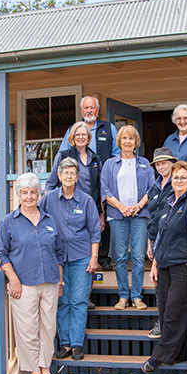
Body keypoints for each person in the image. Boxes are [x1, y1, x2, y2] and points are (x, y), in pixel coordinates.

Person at [0, 173, 64, 374]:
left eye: (33, 192)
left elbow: (59, 253)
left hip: (50, 281)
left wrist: (60, 282)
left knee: (48, 327)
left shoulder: (49, 220)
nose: (29, 196)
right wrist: (13, 280)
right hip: (24, 283)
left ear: (38, 194)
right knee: (27, 328)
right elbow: (1, 254)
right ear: (19, 195)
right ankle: (34, 372)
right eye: (25, 192)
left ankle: (46, 369)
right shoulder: (9, 221)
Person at [142, 161, 187, 374]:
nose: (178, 181)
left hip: (182, 264)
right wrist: (154, 265)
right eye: (175, 177)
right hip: (164, 264)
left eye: (183, 178)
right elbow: (161, 236)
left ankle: (158, 355)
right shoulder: (169, 202)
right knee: (164, 310)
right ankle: (178, 354)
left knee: (173, 310)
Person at [40, 157, 101, 361]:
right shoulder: (48, 199)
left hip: (81, 257)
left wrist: (94, 257)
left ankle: (76, 344)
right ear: (58, 176)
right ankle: (64, 343)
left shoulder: (86, 200)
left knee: (79, 300)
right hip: (56, 259)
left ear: (77, 177)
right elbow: (35, 219)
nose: (68, 176)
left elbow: (94, 231)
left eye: (72, 173)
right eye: (64, 172)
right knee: (62, 300)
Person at [59, 96, 120, 271]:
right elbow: (63, 154)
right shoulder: (74, 129)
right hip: (76, 185)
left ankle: (103, 257)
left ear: (97, 109)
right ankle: (84, 255)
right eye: (86, 108)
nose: (89, 111)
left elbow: (116, 153)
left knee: (103, 220)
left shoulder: (108, 128)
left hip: (103, 179)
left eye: (92, 107)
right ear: (81, 110)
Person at [101, 125, 155, 310]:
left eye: (131, 138)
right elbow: (105, 190)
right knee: (121, 257)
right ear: (119, 141)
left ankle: (137, 297)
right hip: (118, 214)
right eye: (124, 138)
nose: (127, 141)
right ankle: (123, 296)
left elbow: (152, 189)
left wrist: (139, 206)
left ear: (136, 142)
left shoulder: (145, 164)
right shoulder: (110, 164)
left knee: (139, 257)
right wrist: (122, 207)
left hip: (140, 214)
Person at [145, 147, 178, 339]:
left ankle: (171, 324)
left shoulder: (178, 184)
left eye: (164, 163)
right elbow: (152, 217)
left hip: (173, 241)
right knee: (159, 285)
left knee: (173, 285)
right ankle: (162, 321)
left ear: (172, 163)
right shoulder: (154, 188)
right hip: (156, 241)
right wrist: (150, 242)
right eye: (158, 164)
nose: (161, 167)